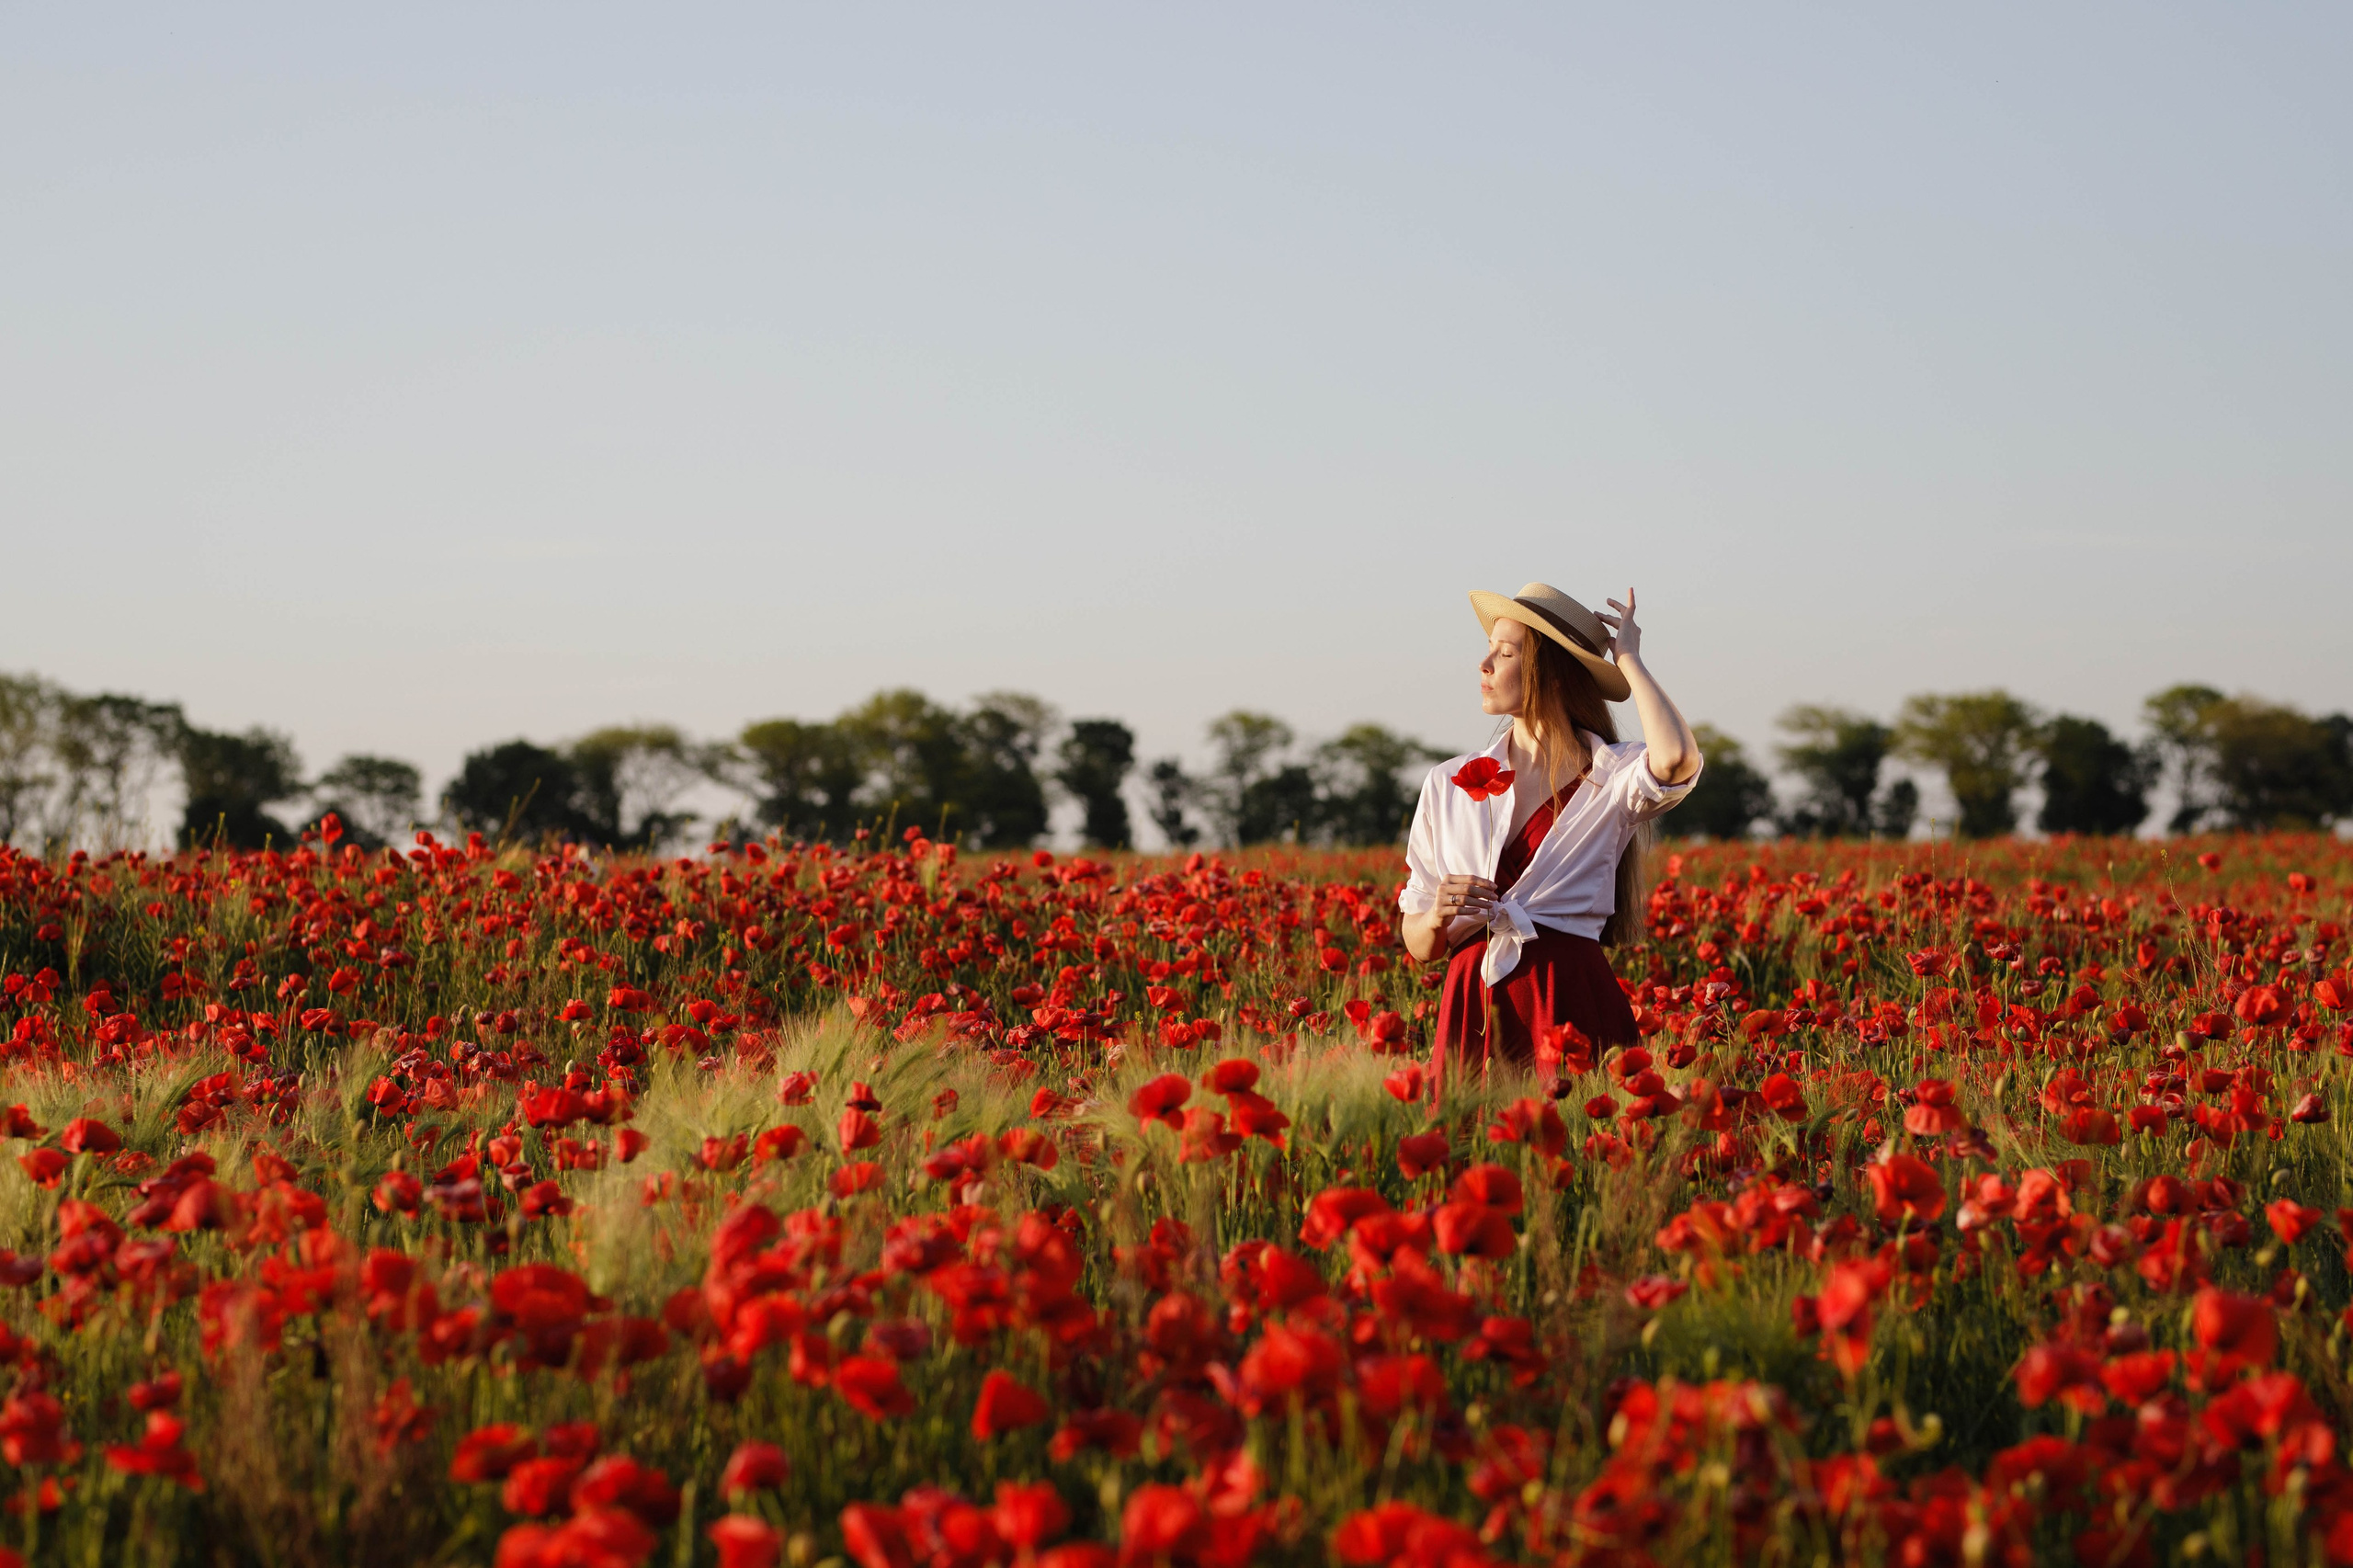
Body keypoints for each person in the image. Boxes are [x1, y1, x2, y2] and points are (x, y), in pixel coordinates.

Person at [1397, 582, 1701, 1086]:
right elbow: (1419, 944)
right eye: (1490, 648)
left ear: (1554, 673)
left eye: (1507, 651)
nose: (1485, 664)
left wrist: (1628, 660)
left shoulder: (1613, 774)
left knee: (1580, 1153)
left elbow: (1676, 759)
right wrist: (1436, 915)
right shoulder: (1447, 783)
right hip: (1472, 1000)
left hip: (1568, 997)